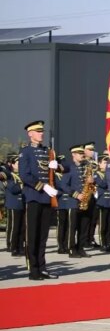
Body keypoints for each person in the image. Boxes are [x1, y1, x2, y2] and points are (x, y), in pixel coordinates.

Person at [18, 120, 60, 280]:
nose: (41, 133)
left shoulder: (47, 151)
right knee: (32, 235)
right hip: (34, 197)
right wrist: (42, 186)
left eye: (42, 131)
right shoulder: (26, 152)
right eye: (37, 131)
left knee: (43, 236)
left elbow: (57, 171)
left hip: (47, 199)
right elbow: (24, 175)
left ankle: (42, 267)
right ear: (30, 134)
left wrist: (58, 167)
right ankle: (33, 269)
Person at [4, 154, 25, 256]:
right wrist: (23, 185)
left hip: (22, 204)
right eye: (18, 163)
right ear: (12, 164)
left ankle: (20, 246)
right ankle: (13, 247)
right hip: (13, 204)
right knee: (14, 227)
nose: (20, 164)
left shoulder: (23, 174)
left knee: (22, 227)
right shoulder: (9, 175)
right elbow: (14, 189)